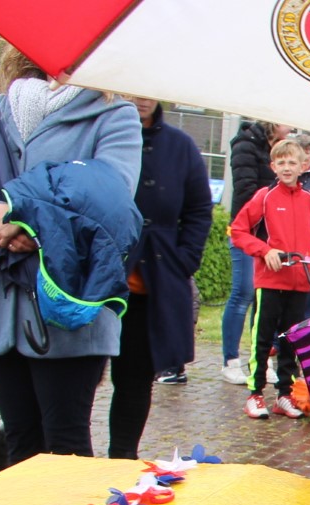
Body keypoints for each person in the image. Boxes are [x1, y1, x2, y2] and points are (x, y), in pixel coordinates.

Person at [0, 47, 139, 465]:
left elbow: (110, 191)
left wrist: (28, 222)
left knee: (66, 442)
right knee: (19, 439)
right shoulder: (0, 108)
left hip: (66, 296)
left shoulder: (113, 114)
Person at [108, 96, 210, 463]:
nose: (141, 98)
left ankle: (122, 458)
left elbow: (199, 209)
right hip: (99, 285)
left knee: (134, 380)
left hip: (150, 286)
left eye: (147, 90)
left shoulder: (180, 146)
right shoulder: (102, 134)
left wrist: (184, 260)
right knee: (79, 380)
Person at [228, 138, 310, 420]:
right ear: (273, 166)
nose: (286, 167)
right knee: (262, 338)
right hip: (270, 280)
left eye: (292, 162)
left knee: (290, 340)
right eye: (281, 162)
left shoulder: (309, 199)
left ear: (303, 166)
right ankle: (255, 393)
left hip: (300, 280)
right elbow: (239, 230)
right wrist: (265, 250)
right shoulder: (265, 196)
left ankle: (285, 393)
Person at [220, 118, 290, 385]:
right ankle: (230, 361)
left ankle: (260, 361)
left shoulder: (281, 147)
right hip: (249, 231)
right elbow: (245, 189)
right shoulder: (246, 144)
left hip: (272, 235)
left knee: (265, 301)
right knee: (243, 293)